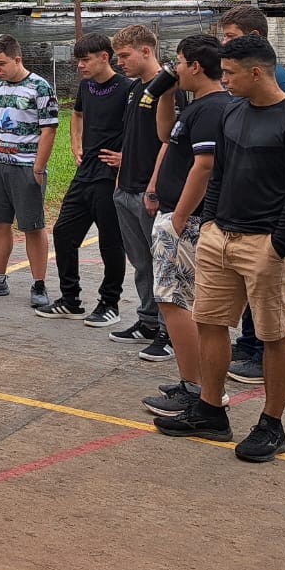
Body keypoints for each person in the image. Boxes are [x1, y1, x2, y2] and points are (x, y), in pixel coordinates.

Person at [154, 33, 285, 463]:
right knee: (210, 323)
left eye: (229, 73)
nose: (223, 80)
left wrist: (280, 246)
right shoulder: (232, 113)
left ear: (256, 72)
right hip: (218, 238)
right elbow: (219, 173)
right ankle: (211, 410)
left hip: (264, 245)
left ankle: (272, 424)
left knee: (272, 335)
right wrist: (210, 223)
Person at [141, 35, 232, 418]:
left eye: (178, 62)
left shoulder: (213, 108)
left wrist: (178, 220)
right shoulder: (196, 108)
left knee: (175, 301)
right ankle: (191, 381)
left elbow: (205, 167)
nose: (173, 68)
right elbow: (166, 136)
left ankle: (197, 388)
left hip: (187, 219)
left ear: (196, 66)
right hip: (177, 213)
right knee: (173, 299)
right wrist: (165, 93)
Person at [217, 3, 285, 386]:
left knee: (271, 290)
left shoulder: (281, 84)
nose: (224, 45)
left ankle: (264, 350)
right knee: (247, 286)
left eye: (231, 38)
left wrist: (283, 239)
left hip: (268, 217)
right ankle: (250, 344)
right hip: (237, 214)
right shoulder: (237, 100)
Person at [38, 32, 132, 327]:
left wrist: (126, 158)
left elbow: (143, 130)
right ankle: (70, 299)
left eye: (85, 59)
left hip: (110, 176)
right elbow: (76, 116)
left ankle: (110, 303)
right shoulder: (87, 86)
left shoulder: (128, 88)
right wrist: (75, 143)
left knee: (110, 241)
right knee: (64, 232)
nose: (80, 65)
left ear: (105, 57)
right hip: (85, 173)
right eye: (78, 60)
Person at [0, 36, 58, 309]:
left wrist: (38, 168)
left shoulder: (39, 87)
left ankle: (39, 283)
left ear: (17, 59)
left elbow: (49, 129)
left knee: (32, 226)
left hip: (25, 165)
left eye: (1, 63)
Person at [107, 25, 170, 359]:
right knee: (141, 261)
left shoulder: (166, 89)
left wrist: (153, 186)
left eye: (125, 55)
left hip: (149, 191)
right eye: (118, 56)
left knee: (163, 265)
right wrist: (121, 178)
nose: (120, 63)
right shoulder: (134, 90)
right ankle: (147, 320)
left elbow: (167, 141)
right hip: (126, 187)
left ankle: (168, 330)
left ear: (146, 51)